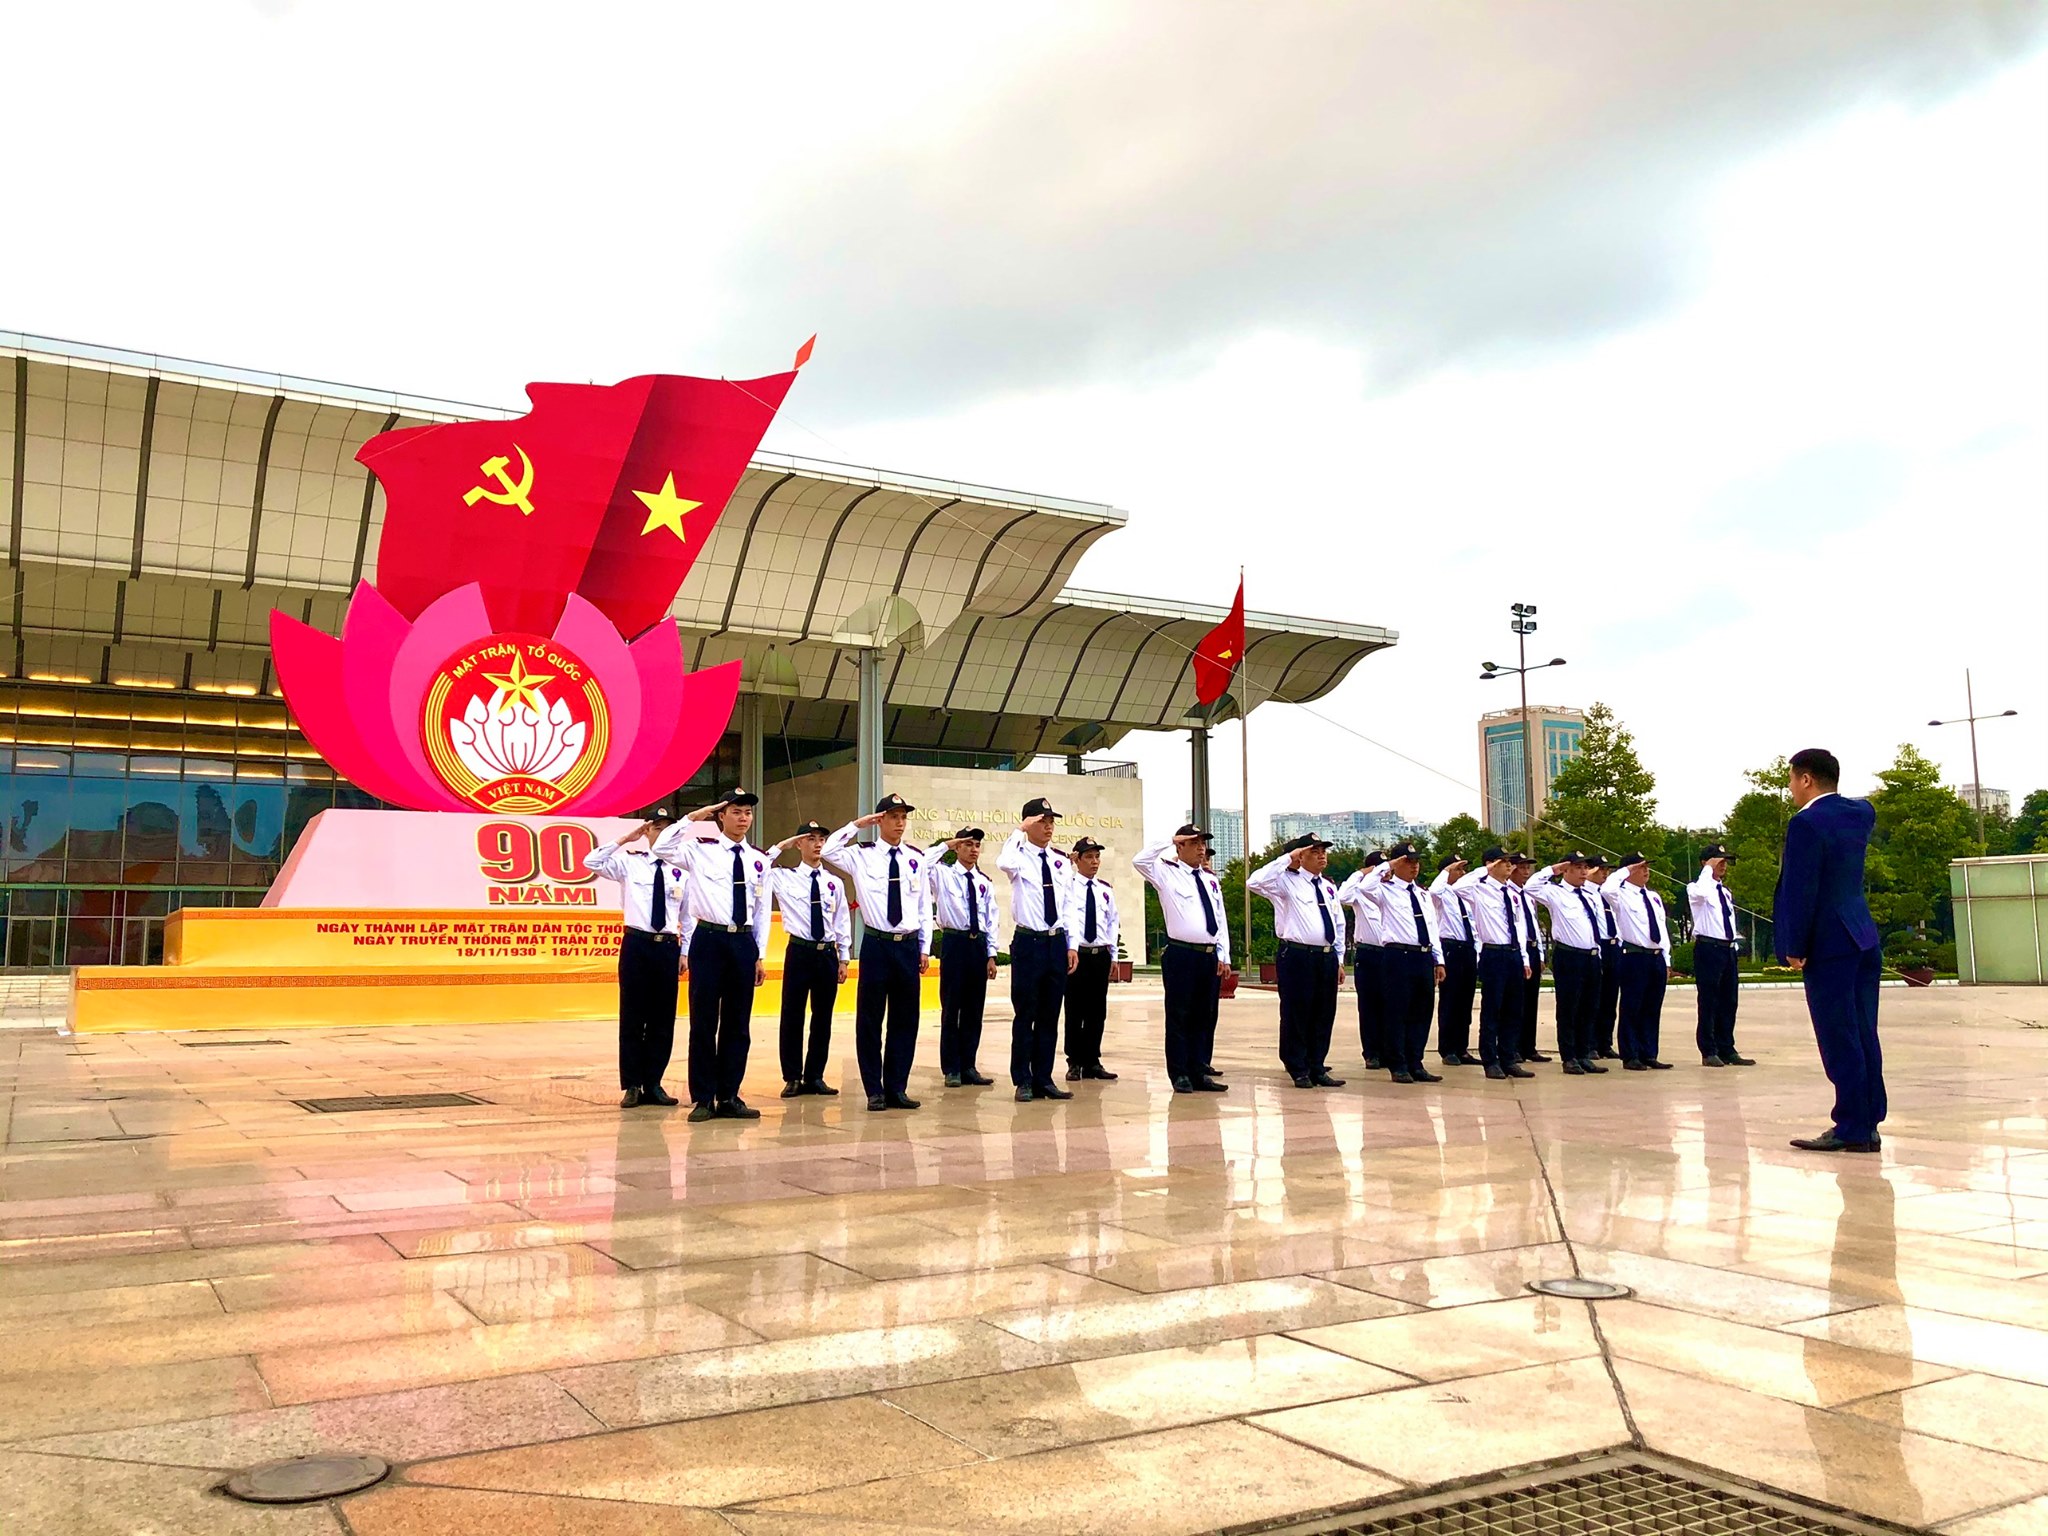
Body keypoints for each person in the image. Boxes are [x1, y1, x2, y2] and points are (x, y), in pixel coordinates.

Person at [1776, 748, 1885, 1154]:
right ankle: (1868, 1120)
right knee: (1862, 1031)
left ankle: (1851, 1126)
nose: (1790, 789)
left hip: (1829, 943)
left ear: (1806, 779)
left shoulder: (1806, 824)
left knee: (1838, 1034)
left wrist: (1795, 945)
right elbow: (1863, 807)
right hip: (1861, 935)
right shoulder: (1860, 814)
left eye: (1791, 780)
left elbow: (1802, 889)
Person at [662, 791, 774, 1121]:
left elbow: (763, 909)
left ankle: (729, 1095)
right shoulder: (699, 851)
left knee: (738, 1024)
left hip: (742, 944)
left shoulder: (759, 859)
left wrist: (760, 953)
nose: (743, 818)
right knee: (704, 1022)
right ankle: (703, 1098)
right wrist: (692, 817)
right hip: (708, 940)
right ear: (721, 817)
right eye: (736, 812)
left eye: (748, 813)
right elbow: (662, 847)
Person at [823, 794, 932, 1111]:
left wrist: (924, 946)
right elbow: (830, 850)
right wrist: (857, 825)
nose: (900, 823)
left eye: (903, 817)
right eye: (893, 817)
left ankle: (897, 1086)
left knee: (905, 1019)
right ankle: (874, 1089)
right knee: (870, 1019)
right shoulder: (861, 854)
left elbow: (923, 906)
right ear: (880, 820)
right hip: (877, 945)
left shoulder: (916, 858)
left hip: (907, 944)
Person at [583, 812, 686, 1108]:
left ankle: (653, 1082)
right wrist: (626, 838)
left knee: (662, 1018)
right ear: (648, 831)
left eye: (668, 829)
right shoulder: (630, 862)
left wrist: (685, 951)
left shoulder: (681, 869)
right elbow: (591, 862)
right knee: (633, 1016)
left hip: (667, 946)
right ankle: (632, 1084)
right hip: (637, 944)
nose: (662, 833)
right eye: (656, 828)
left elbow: (688, 915)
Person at [1134, 824, 1230, 1094]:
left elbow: (1219, 919)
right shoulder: (1166, 872)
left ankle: (1200, 1070)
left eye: (1203, 843)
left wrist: (1224, 954)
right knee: (1179, 1016)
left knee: (1204, 1016)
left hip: (1208, 955)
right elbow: (1139, 860)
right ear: (1180, 846)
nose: (1201, 847)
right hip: (1181, 954)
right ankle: (1180, 1074)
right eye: (1194, 842)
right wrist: (1170, 839)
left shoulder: (1210, 879)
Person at [995, 797, 1080, 1102]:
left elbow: (1068, 905)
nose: (1048, 827)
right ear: (1029, 822)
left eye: (1051, 822)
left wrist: (1071, 944)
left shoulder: (1059, 861)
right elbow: (1002, 862)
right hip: (1029, 942)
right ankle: (1023, 1080)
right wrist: (1019, 830)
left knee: (1049, 1014)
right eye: (1042, 821)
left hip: (1055, 941)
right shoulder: (1017, 857)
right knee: (1026, 1013)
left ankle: (1044, 1077)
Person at [1246, 834, 1347, 1089]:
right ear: (1301, 855)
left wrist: (1339, 958)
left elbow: (1338, 924)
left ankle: (1317, 1065)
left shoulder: (1328, 887)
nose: (1322, 855)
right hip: (1297, 955)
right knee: (1297, 1013)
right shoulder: (1284, 882)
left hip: (1325, 957)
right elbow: (1254, 882)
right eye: (1314, 851)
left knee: (1323, 1014)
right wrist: (1287, 859)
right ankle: (1298, 1067)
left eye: (1323, 850)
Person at [763, 819, 850, 1098]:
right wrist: (781, 846)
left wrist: (844, 957)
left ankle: (815, 1075)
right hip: (799, 951)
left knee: (822, 1017)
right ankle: (792, 1076)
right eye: (811, 839)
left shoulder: (834, 883)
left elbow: (841, 921)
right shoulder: (784, 876)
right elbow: (759, 867)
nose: (818, 844)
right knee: (792, 1015)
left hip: (826, 953)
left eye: (821, 839)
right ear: (799, 844)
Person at [1359, 841, 1445, 1083]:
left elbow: (1431, 928)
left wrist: (1439, 960)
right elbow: (1364, 888)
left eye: (1416, 861)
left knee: (1421, 1012)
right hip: (1398, 956)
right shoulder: (1384, 890)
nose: (1414, 866)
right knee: (1397, 1011)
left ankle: (1415, 1061)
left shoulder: (1422, 894)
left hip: (1423, 955)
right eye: (1408, 862)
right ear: (1396, 864)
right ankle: (1397, 1064)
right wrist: (1386, 866)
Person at [1452, 848, 1535, 1079]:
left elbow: (1519, 927)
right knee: (1493, 1009)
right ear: (1492, 864)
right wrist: (1485, 869)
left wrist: (1524, 958)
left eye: (1511, 862)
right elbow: (1457, 887)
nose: (1510, 866)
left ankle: (1509, 1057)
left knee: (1513, 1009)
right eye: (1504, 862)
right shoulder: (1479, 888)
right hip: (1493, 953)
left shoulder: (1513, 893)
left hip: (1513, 954)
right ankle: (1490, 1060)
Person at [926, 826, 998, 1088]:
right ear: (958, 847)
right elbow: (922, 863)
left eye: (977, 845)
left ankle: (968, 1064)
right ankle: (951, 1067)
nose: (973, 849)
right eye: (967, 844)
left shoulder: (984, 882)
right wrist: (947, 844)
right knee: (952, 1007)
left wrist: (991, 954)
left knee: (973, 1009)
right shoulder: (943, 874)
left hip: (977, 945)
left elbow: (992, 919)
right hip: (955, 943)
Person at [1524, 854, 1609, 1075]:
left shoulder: (1589, 895)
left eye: (1585, 868)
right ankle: (1569, 1057)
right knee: (1569, 1008)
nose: (1583, 872)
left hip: (1591, 956)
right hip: (1570, 956)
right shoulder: (1555, 892)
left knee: (1589, 1008)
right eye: (1578, 868)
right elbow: (1531, 886)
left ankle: (1584, 1053)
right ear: (1566, 870)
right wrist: (1552, 868)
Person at [1601, 853, 1674, 1070]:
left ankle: (1649, 1052)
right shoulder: (1620, 894)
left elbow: (1662, 930)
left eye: (1646, 867)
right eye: (1640, 867)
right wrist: (1625, 871)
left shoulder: (1653, 897)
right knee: (1632, 1006)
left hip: (1655, 956)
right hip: (1634, 956)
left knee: (1652, 1007)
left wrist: (1667, 958)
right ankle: (1631, 1054)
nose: (1645, 871)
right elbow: (1606, 888)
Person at [1060, 837, 1121, 1081]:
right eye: (1088, 857)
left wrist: (1113, 955)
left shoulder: (1104, 890)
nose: (1094, 862)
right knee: (1075, 1010)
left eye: (1097, 857)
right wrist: (1068, 861)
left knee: (1097, 1011)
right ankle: (1074, 1061)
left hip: (1099, 955)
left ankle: (1092, 1060)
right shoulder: (1067, 885)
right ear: (1077, 859)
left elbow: (1112, 922)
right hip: (1077, 955)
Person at [1688, 842, 1754, 1068]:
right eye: (1719, 862)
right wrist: (1707, 869)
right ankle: (1708, 1049)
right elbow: (1701, 893)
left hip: (1727, 948)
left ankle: (1727, 1046)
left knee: (1729, 1000)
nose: (1723, 866)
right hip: (1709, 948)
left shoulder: (1724, 892)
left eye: (1725, 862)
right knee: (1709, 1000)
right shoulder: (1697, 888)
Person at [1335, 851, 1388, 1069]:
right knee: (1369, 1005)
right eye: (1380, 869)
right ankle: (1372, 1053)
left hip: (1391, 955)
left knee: (1390, 1005)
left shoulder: (1391, 892)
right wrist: (1360, 874)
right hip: (1369, 954)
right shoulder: (1359, 892)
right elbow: (1342, 896)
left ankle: (1389, 1050)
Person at [1429, 856, 1480, 1065]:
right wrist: (1447, 870)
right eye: (1458, 870)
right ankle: (1448, 1049)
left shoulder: (1463, 896)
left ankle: (1462, 1047)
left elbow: (1474, 926)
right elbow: (1434, 890)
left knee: (1465, 1002)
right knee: (1450, 1001)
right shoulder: (1440, 894)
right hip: (1450, 948)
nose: (1462, 874)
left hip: (1467, 948)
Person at [1509, 854, 1550, 1063]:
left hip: (1532, 949)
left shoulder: (1527, 894)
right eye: (1522, 867)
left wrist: (1541, 953)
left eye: (1528, 868)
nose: (1526, 871)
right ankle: (1513, 1047)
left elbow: (1533, 924)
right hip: (1518, 949)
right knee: (1517, 1001)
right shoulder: (1508, 892)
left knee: (1531, 1001)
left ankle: (1528, 1046)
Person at [1583, 855, 1624, 1059]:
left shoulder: (1608, 894)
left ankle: (1604, 1042)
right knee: (1594, 998)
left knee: (1610, 998)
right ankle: (1589, 1044)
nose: (1605, 874)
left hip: (1614, 946)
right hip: (1599, 947)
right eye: (1600, 870)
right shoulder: (1585, 893)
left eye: (1607, 870)